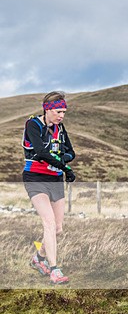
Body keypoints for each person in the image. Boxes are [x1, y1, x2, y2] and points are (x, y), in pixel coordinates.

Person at [22, 91, 76, 285]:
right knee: (49, 223)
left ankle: (38, 258)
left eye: (64, 112)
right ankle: (54, 270)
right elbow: (41, 152)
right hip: (35, 177)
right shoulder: (33, 125)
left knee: (58, 228)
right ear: (48, 109)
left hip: (55, 179)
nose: (62, 115)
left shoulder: (60, 128)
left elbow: (71, 152)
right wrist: (65, 167)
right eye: (59, 111)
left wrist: (64, 160)